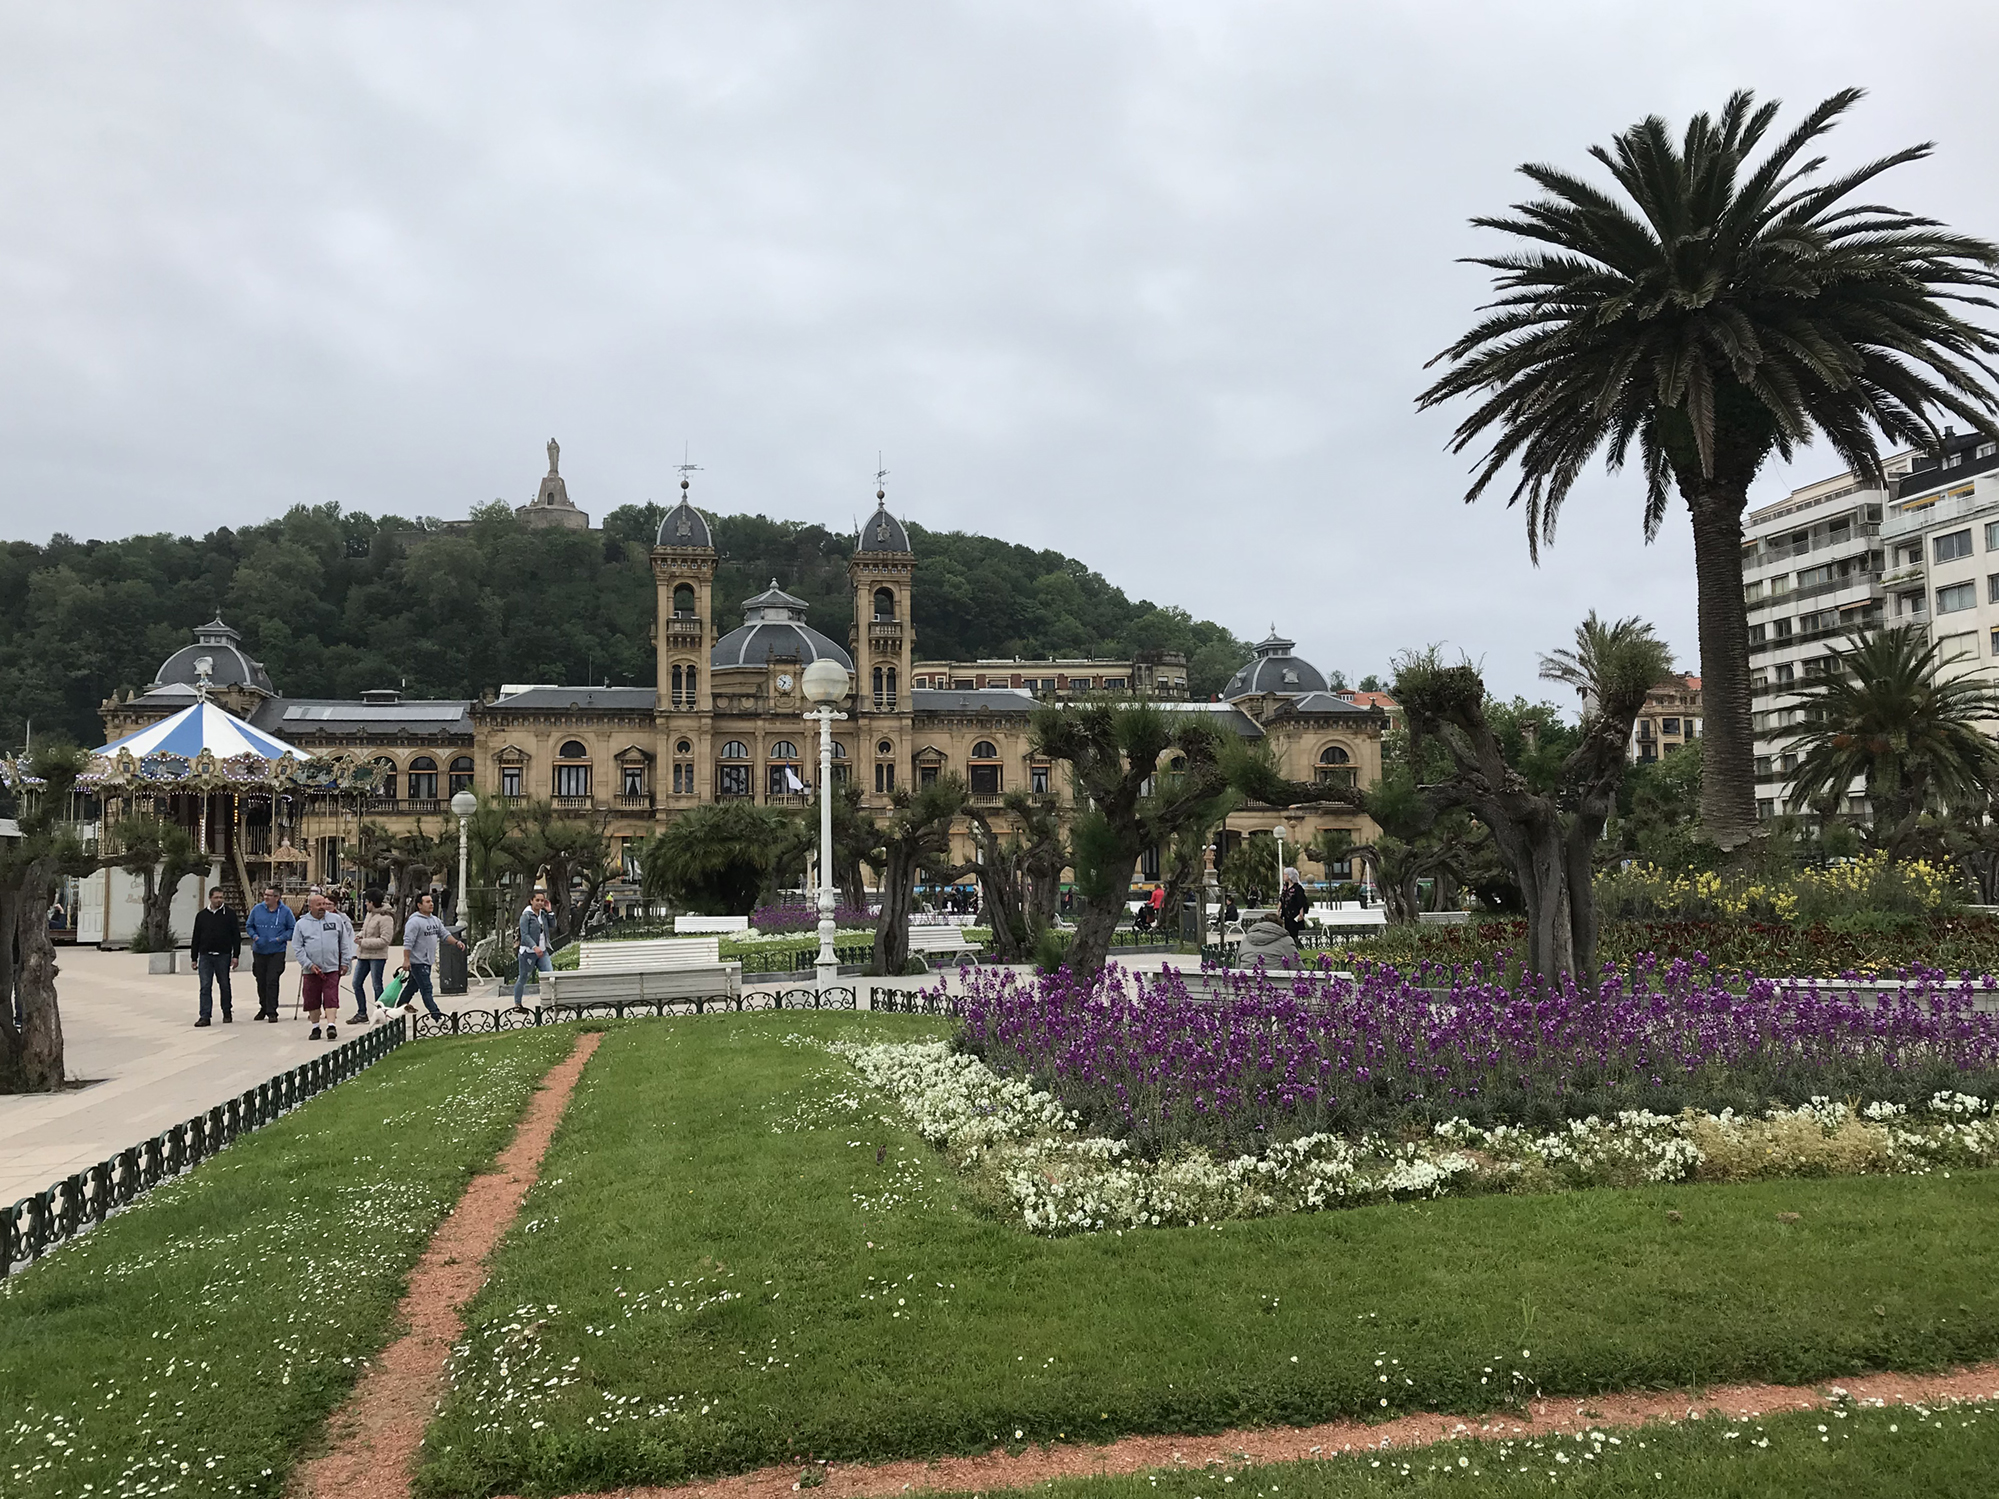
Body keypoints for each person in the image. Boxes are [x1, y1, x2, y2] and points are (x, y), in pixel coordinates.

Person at [292, 889, 355, 1041]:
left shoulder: (336, 920)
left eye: (324, 904)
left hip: (332, 967)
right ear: (310, 906)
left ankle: (331, 1025)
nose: (322, 907)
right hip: (311, 969)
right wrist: (308, 964)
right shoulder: (301, 924)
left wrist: (345, 961)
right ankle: (315, 1027)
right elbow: (297, 947)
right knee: (312, 999)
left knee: (331, 997)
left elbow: (344, 942)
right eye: (318, 904)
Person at [399, 891, 464, 1020]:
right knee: (427, 989)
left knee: (411, 988)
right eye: (427, 902)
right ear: (419, 905)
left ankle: (396, 1012)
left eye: (431, 901)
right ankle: (437, 1016)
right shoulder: (414, 922)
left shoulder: (435, 920)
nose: (431, 904)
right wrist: (406, 960)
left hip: (427, 961)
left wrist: (456, 942)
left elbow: (444, 934)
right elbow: (408, 942)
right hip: (418, 962)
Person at [188, 887, 240, 1027]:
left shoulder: (229, 914)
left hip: (223, 955)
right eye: (216, 897)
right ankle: (205, 1016)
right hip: (205, 955)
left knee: (224, 984)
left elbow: (236, 936)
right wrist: (194, 957)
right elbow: (196, 937)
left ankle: (227, 1011)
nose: (219, 900)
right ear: (210, 898)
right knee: (205, 986)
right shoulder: (202, 916)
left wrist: (235, 955)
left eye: (221, 897)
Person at [244, 885, 296, 1022]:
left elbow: (292, 929)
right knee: (261, 980)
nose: (265, 897)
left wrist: (280, 938)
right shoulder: (257, 909)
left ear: (277, 897)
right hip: (259, 951)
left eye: (269, 895)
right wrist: (255, 937)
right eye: (265, 895)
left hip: (277, 951)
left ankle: (272, 1011)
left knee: (272, 980)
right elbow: (249, 926)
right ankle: (263, 1007)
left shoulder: (285, 912)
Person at [349, 893, 393, 1023]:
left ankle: (381, 1013)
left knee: (376, 985)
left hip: (377, 956)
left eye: (367, 901)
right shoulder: (369, 915)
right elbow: (365, 930)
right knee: (356, 983)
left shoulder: (386, 918)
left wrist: (363, 942)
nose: (365, 904)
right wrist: (360, 936)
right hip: (363, 955)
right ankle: (361, 1012)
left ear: (373, 902)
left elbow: (385, 940)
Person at [513, 890, 553, 1009]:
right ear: (531, 901)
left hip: (542, 952)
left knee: (550, 976)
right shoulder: (526, 916)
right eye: (537, 900)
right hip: (528, 953)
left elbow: (553, 925)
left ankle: (549, 1002)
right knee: (523, 977)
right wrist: (534, 947)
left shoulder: (543, 914)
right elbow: (524, 935)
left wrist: (550, 911)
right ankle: (517, 1004)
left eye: (542, 900)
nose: (540, 903)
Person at [1279, 867, 1310, 943]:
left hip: (1294, 913)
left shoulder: (1298, 888)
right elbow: (1282, 898)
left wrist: (1301, 913)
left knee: (1294, 930)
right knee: (1287, 929)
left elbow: (1301, 902)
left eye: (1285, 874)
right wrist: (1278, 910)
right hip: (1286, 912)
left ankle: (1296, 943)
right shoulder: (1285, 887)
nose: (1284, 876)